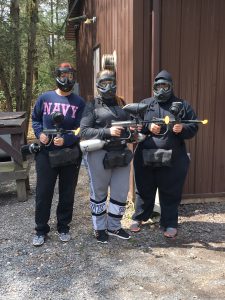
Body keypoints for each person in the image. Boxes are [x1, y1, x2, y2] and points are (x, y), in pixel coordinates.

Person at [130, 70, 198, 238]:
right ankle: (139, 217)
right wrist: (147, 127)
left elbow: (194, 126)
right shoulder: (145, 104)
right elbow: (135, 125)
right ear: (154, 87)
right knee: (144, 188)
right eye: (158, 86)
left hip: (173, 158)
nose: (161, 89)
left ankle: (170, 223)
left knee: (170, 191)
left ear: (170, 86)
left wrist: (182, 128)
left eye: (165, 85)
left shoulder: (182, 105)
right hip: (146, 156)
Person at [31, 62, 85, 246]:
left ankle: (63, 227)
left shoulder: (79, 102)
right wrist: (41, 135)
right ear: (57, 76)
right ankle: (40, 230)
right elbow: (36, 119)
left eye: (69, 75)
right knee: (43, 192)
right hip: (46, 154)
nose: (66, 79)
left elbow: (80, 129)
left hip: (69, 154)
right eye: (63, 75)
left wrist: (67, 140)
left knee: (67, 192)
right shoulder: (44, 98)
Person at [80, 69, 132, 243]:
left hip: (122, 154)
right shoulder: (91, 105)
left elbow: (131, 127)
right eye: (103, 83)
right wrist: (107, 131)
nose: (108, 86)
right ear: (97, 85)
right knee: (99, 193)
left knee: (120, 192)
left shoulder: (122, 103)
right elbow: (85, 131)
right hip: (99, 154)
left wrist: (133, 130)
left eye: (110, 82)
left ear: (115, 83)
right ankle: (99, 228)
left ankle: (114, 226)